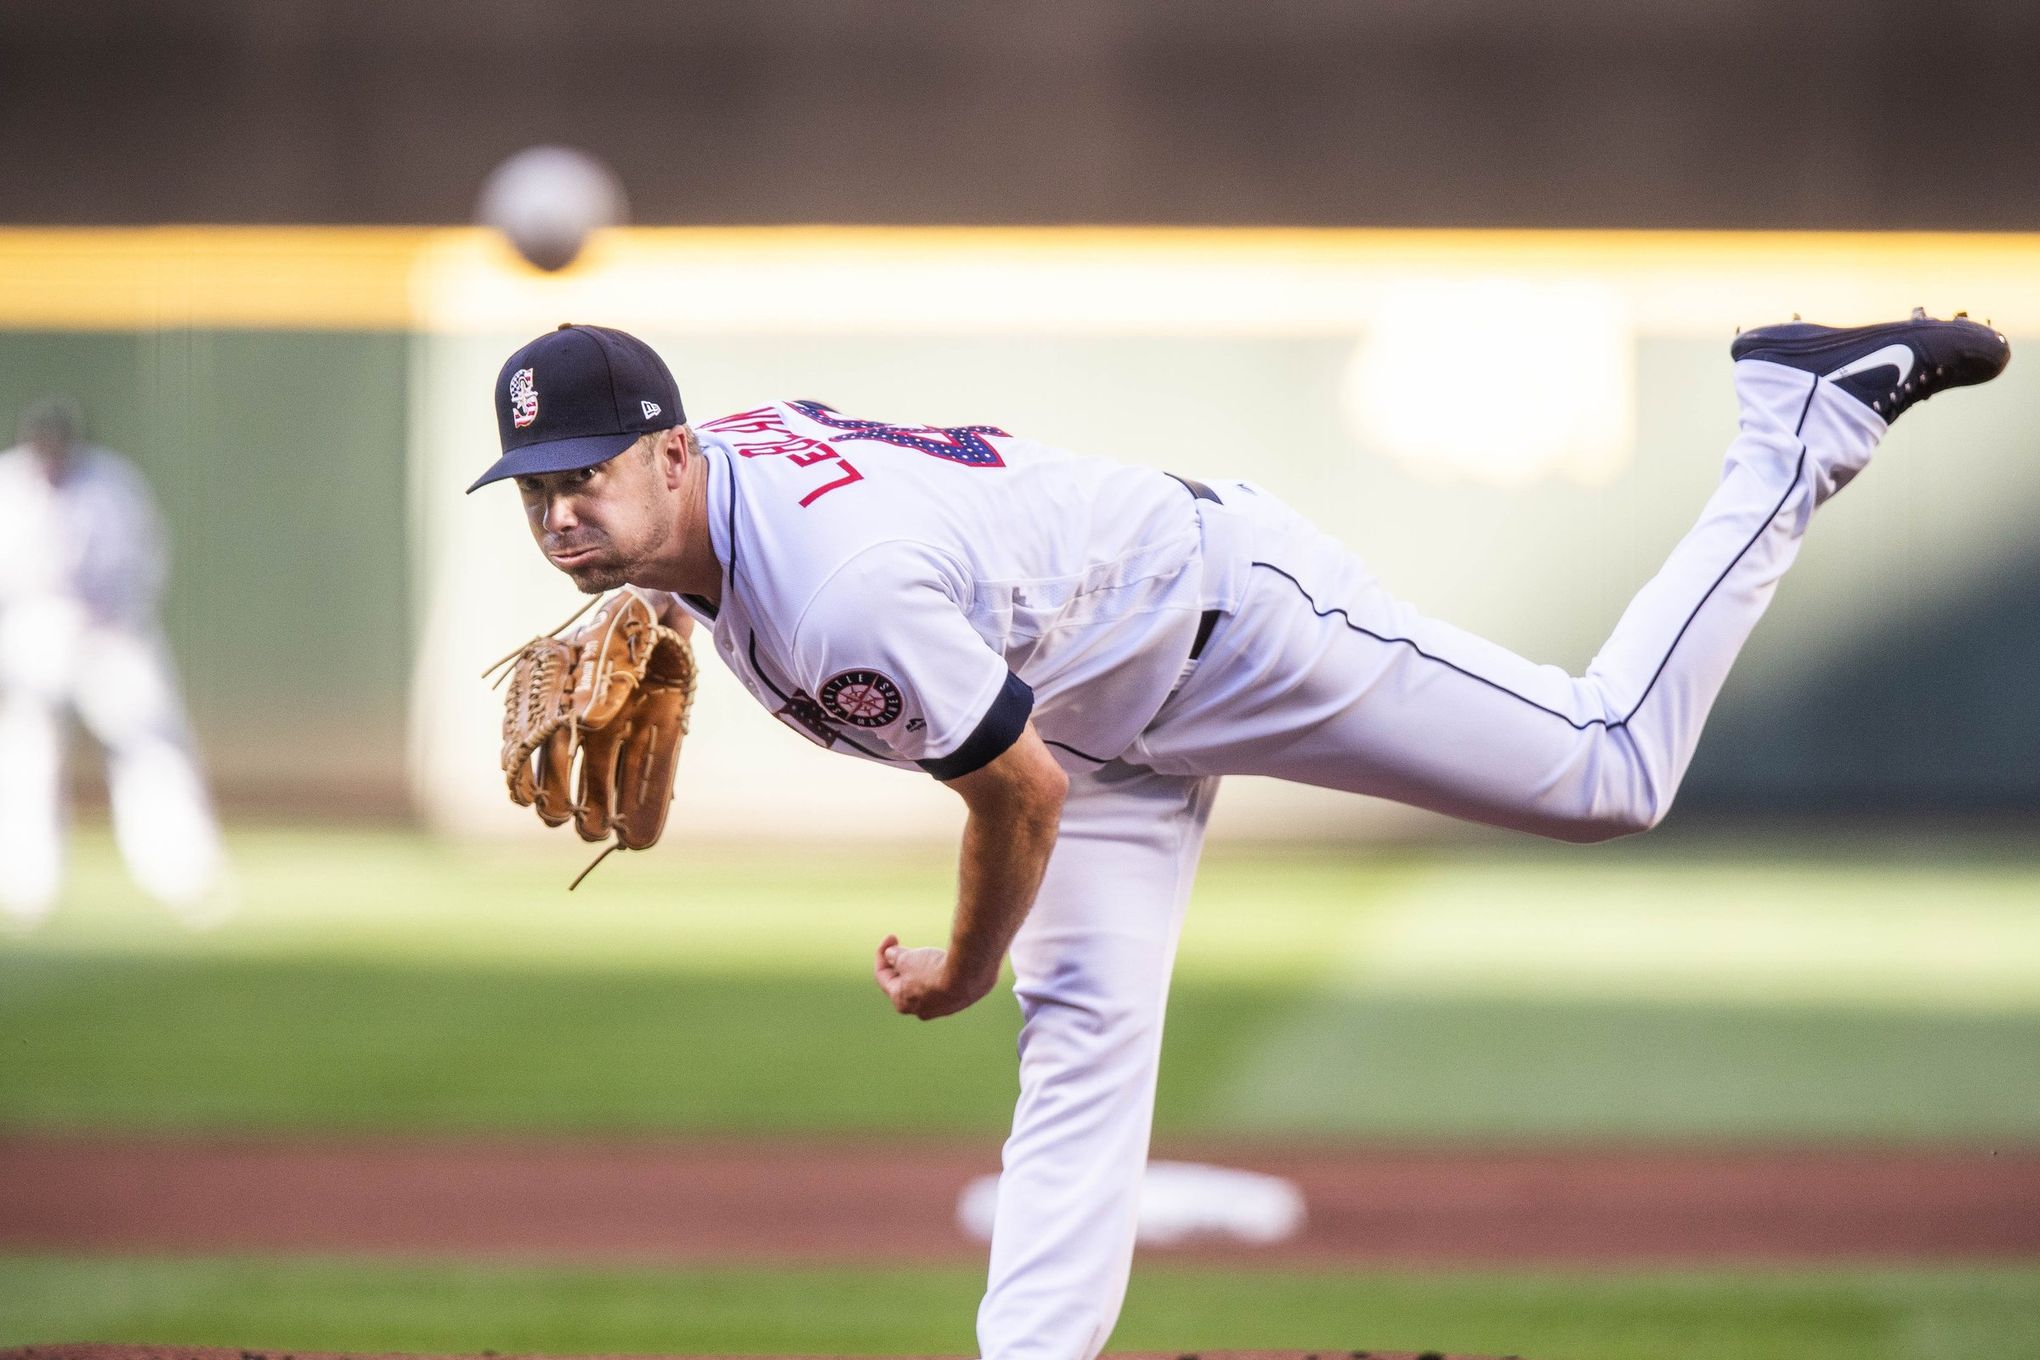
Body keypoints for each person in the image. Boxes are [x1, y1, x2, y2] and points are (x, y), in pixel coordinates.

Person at [468, 312, 2008, 1359]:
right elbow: (842, 596)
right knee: (1077, 1046)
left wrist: (954, 967)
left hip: (1229, 624)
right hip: (1092, 690)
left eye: (585, 479)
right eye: (534, 491)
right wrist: (661, 588)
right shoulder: (705, 491)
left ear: (674, 454)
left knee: (1608, 770)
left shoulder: (840, 589)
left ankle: (1792, 425)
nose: (556, 523)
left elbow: (1018, 797)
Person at [0, 397, 228, 927]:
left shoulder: (112, 484)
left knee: (153, 747)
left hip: (111, 630)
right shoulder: (9, 485)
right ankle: (23, 885)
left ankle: (183, 874)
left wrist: (115, 617)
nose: (50, 455)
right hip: (38, 628)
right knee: (26, 757)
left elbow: (145, 557)